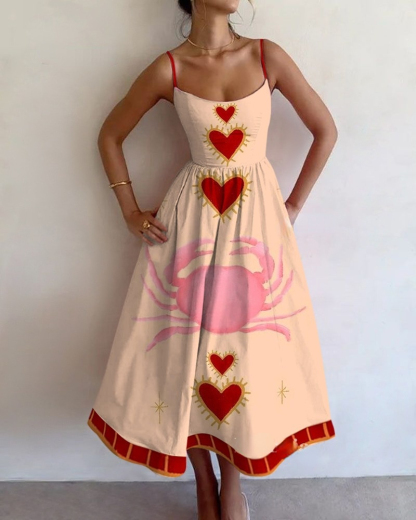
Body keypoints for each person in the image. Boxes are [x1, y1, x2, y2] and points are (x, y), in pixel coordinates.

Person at [88, 1, 338, 519]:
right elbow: (110, 135)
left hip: (256, 227)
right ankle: (204, 483)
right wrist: (129, 210)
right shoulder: (169, 67)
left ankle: (232, 486)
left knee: (240, 352)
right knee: (187, 352)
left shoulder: (268, 56)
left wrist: (292, 206)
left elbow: (326, 130)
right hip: (189, 227)